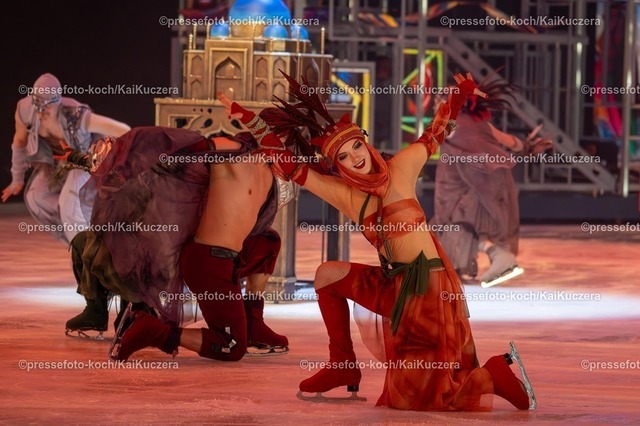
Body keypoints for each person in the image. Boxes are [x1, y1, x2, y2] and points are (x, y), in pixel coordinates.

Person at [222, 71, 536, 411]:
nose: (355, 157)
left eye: (356, 146)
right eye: (343, 156)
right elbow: (293, 167)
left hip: (428, 290)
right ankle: (342, 364)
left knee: (417, 397)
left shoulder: (402, 168)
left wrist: (459, 96)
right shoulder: (346, 194)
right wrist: (251, 120)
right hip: (394, 285)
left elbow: (436, 132)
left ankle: (494, 374)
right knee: (327, 275)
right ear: (337, 165)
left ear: (366, 142)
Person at [61, 126, 290, 358]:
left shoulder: (269, 171)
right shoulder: (235, 151)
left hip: (220, 257)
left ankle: (253, 323)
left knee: (268, 241)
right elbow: (175, 148)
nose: (291, 155)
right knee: (231, 347)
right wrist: (107, 159)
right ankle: (151, 329)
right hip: (207, 262)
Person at [430, 79, 552, 287]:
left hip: (477, 182)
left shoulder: (450, 124)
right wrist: (528, 147)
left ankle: (499, 256)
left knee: (457, 222)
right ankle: (485, 260)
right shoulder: (478, 123)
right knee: (462, 225)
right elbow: (510, 141)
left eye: (443, 97)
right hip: (486, 179)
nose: (437, 101)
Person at [2, 73, 131, 244]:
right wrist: (17, 178)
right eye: (37, 106)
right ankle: (82, 243)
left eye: (46, 107)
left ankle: (91, 243)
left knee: (68, 203)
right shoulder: (25, 110)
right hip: (59, 165)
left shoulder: (76, 116)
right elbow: (19, 141)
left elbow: (123, 129)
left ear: (57, 103)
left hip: (84, 162)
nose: (41, 112)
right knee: (36, 198)